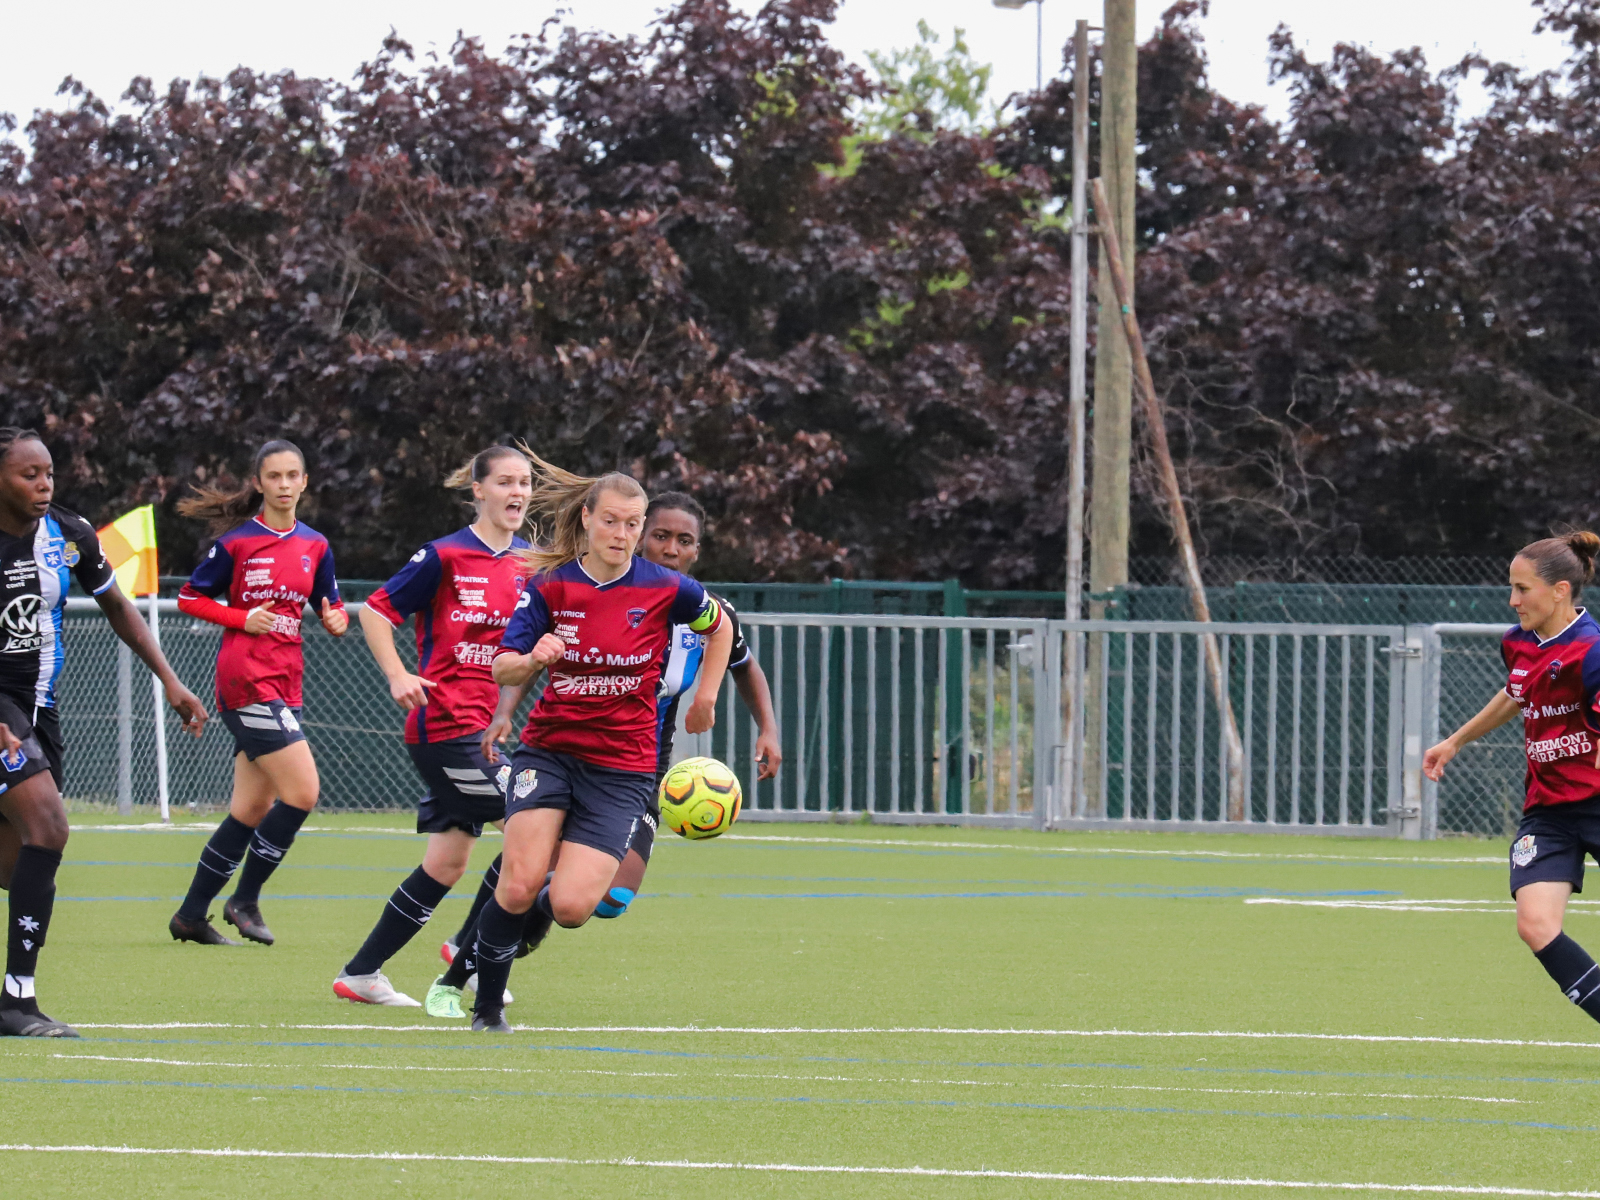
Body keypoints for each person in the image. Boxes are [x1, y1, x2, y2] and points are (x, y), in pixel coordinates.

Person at [427, 491, 781, 1013]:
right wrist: (506, 706)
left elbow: (738, 655)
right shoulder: (568, 587)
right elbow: (529, 656)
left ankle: (496, 937)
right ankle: (469, 972)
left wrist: (759, 724)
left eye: (683, 540)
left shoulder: (689, 603)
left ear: (696, 550)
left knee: (602, 900)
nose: (668, 547)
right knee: (522, 873)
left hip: (635, 766)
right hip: (556, 752)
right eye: (659, 534)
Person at [0, 427, 209, 1036]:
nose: (43, 486)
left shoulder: (69, 534)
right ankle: (16, 1001)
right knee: (50, 827)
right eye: (27, 475)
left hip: (39, 711)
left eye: (48, 474)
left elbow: (118, 606)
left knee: (18, 867)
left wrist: (169, 680)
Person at [331, 446, 532, 1006]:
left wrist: (506, 710)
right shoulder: (444, 556)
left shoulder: (533, 563)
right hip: (445, 729)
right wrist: (398, 675)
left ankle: (362, 973)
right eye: (506, 482)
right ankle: (469, 957)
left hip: (480, 732)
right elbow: (374, 609)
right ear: (479, 490)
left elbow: (524, 654)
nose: (517, 493)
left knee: (447, 862)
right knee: (532, 830)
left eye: (525, 484)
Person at [168, 440, 347, 947]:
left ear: (305, 482)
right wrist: (240, 617)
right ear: (259, 483)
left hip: (288, 679)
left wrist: (333, 619)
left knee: (249, 809)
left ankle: (189, 915)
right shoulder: (238, 545)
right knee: (304, 792)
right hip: (246, 679)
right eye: (275, 477)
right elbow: (188, 597)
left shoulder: (316, 545)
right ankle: (244, 899)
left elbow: (328, 605)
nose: (285, 485)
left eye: (293, 476)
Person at [1425, 531, 1600, 1025]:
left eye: (1523, 589)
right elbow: (1516, 691)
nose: (1513, 600)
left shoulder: (1592, 652)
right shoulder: (1518, 642)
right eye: (1512, 587)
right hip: (1548, 811)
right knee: (1535, 924)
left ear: (1560, 590)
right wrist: (1455, 740)